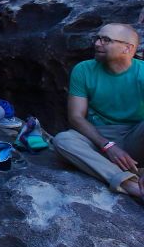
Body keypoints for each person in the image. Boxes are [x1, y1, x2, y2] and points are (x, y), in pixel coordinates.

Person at [53, 24, 143, 202]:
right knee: (63, 140)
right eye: (97, 38)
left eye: (106, 40)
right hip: (100, 136)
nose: (97, 44)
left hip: (136, 135)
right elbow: (76, 117)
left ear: (128, 48)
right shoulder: (83, 70)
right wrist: (107, 146)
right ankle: (130, 185)